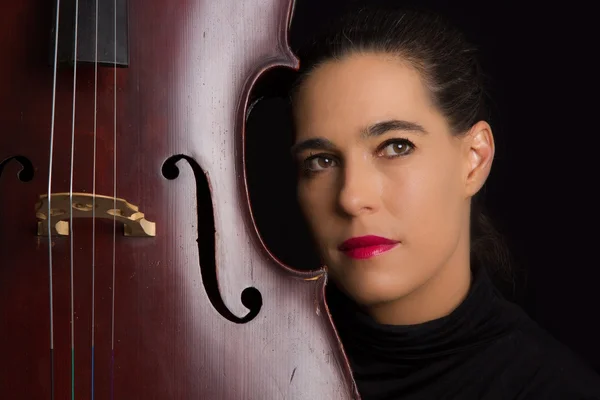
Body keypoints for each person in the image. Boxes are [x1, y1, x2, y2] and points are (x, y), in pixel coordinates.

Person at [288, 5, 600, 400]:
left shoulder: (556, 389)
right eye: (321, 161)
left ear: (474, 159)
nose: (351, 197)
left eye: (396, 146)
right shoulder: (236, 366)